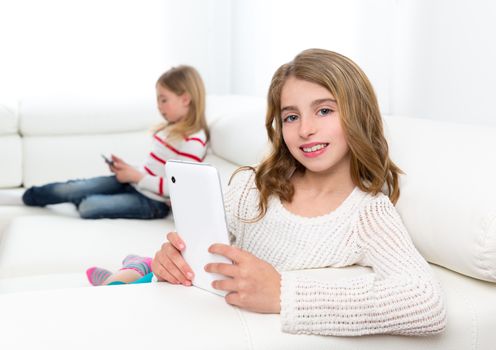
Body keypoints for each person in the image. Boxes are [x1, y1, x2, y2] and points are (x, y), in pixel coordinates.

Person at [91, 49, 447, 336]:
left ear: (359, 116)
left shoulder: (367, 213)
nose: (305, 129)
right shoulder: (252, 186)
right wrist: (174, 257)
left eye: (323, 110)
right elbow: (202, 249)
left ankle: (134, 268)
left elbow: (424, 302)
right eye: (291, 117)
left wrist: (283, 292)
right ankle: (140, 267)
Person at [21, 65, 209, 220]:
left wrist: (136, 176)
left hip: (154, 201)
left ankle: (77, 198)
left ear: (185, 99)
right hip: (135, 183)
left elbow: (179, 188)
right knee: (73, 187)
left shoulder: (194, 141)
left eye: (164, 100)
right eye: (158, 100)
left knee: (88, 206)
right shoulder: (169, 129)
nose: (159, 106)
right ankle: (26, 197)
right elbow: (153, 168)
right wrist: (129, 169)